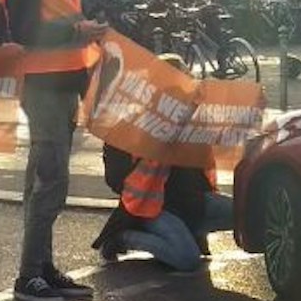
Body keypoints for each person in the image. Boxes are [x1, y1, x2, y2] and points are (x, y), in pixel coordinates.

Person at [5, 0, 107, 301]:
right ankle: (29, 274)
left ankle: (42, 268)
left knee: (42, 180)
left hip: (64, 85)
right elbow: (23, 29)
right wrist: (77, 31)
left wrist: (83, 33)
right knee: (52, 181)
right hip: (42, 86)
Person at [93, 57, 232, 271]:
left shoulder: (193, 121)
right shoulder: (130, 126)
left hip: (191, 203)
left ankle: (187, 233)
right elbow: (114, 177)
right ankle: (122, 238)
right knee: (187, 259)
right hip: (150, 209)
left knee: (248, 213)